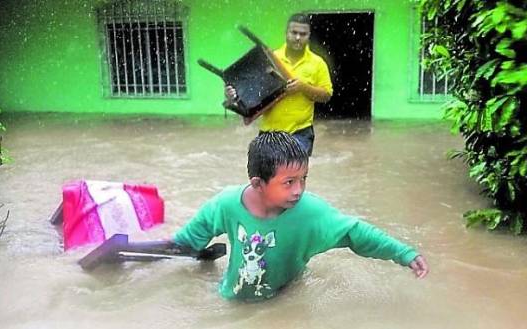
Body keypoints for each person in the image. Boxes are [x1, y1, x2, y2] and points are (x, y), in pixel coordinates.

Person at [172, 131, 429, 301]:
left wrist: (404, 254)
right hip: (231, 298)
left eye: (303, 179)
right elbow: (189, 239)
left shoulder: (310, 213)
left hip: (285, 297)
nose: (299, 190)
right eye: (289, 182)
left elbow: (356, 233)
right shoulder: (226, 204)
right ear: (258, 184)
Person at [225, 13, 333, 156]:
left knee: (292, 176)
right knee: (267, 178)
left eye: (303, 34)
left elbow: (326, 95)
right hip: (268, 134)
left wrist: (302, 87)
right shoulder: (269, 58)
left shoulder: (318, 63)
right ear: (286, 33)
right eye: (294, 33)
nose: (298, 38)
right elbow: (252, 96)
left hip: (300, 134)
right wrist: (234, 95)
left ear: (309, 35)